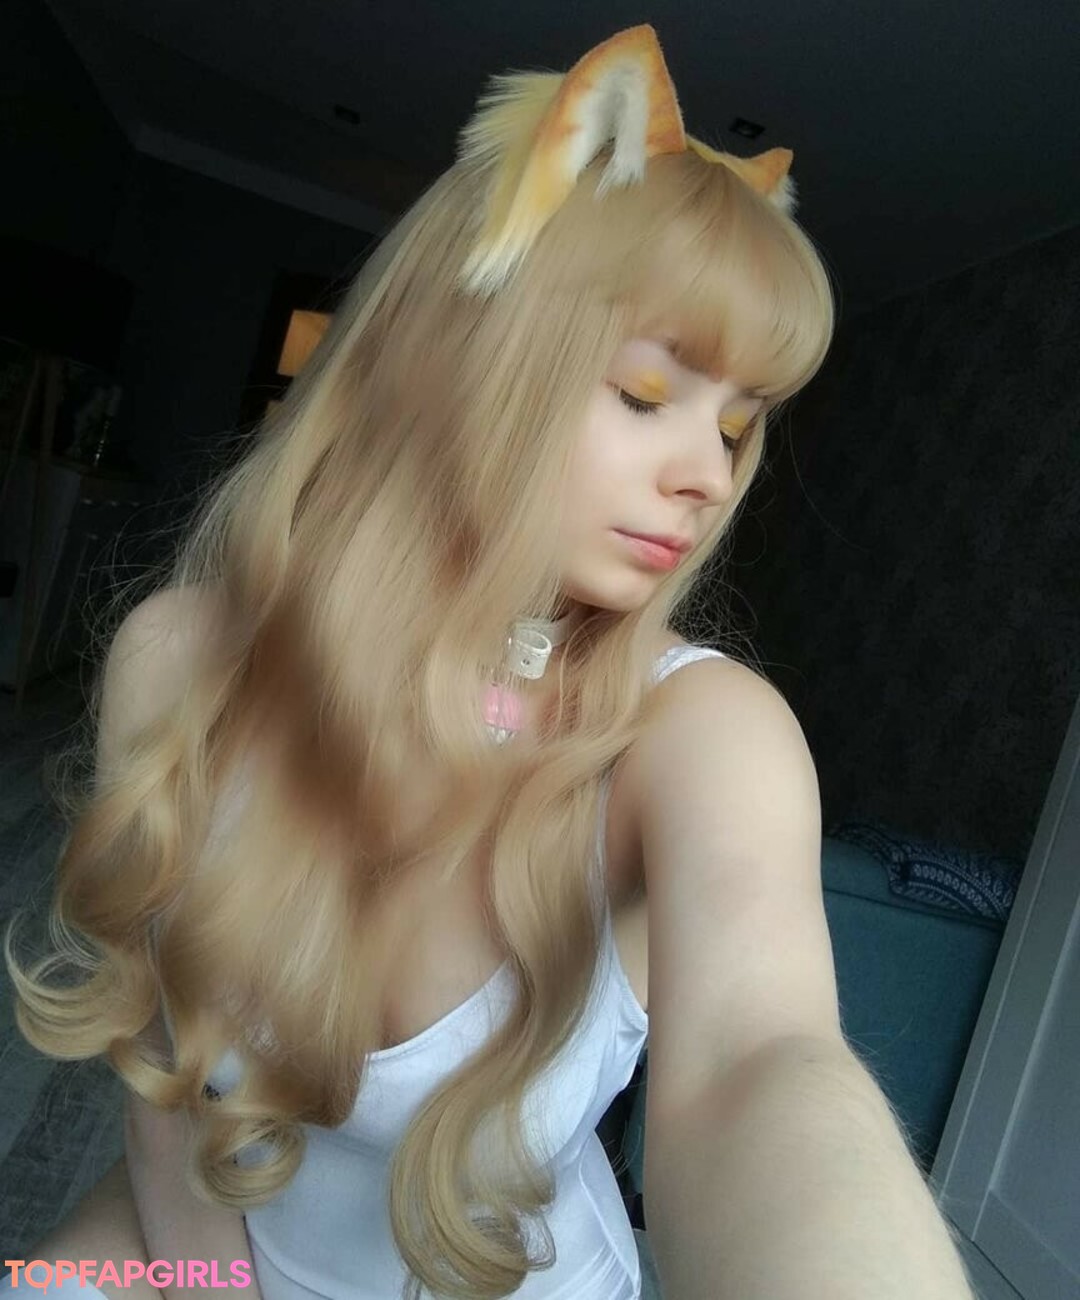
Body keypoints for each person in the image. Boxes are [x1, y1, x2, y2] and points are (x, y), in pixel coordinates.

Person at [3, 22, 976, 1300]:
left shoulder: (703, 734)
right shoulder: (178, 660)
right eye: (645, 396)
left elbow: (763, 1063)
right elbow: (166, 1087)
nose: (706, 475)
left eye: (738, 430)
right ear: (454, 355)